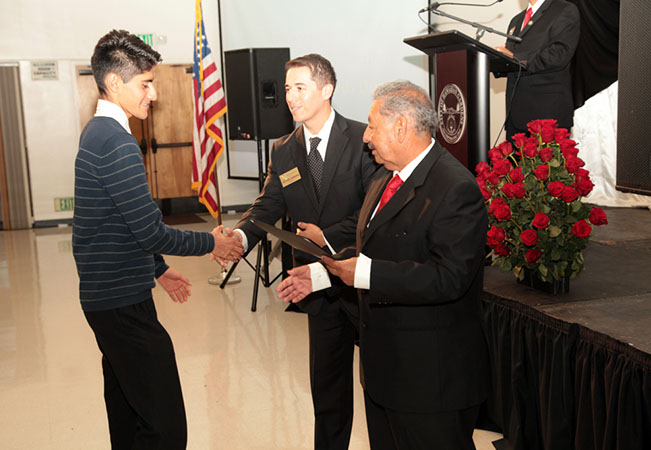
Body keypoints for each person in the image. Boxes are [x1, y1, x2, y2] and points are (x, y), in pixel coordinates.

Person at [278, 80, 490, 449]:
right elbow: (371, 252)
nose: (366, 137)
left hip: (429, 382)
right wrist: (321, 274)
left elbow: (449, 278)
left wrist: (362, 272)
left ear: (402, 127)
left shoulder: (454, 188)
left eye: (373, 126)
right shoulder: (382, 180)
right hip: (384, 375)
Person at [73, 29, 243, 449]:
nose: (152, 94)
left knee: (129, 411)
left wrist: (158, 270)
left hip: (109, 297)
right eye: (144, 84)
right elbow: (149, 229)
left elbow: (118, 224)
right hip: (121, 304)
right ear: (114, 82)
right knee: (164, 424)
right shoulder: (116, 143)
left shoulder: (96, 133)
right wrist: (213, 244)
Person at [219, 54, 378, 449]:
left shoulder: (364, 139)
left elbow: (374, 211)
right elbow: (269, 205)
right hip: (316, 288)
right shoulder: (284, 149)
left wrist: (328, 235)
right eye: (287, 88)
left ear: (327, 90)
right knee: (327, 393)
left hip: (366, 284)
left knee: (380, 388)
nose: (290, 97)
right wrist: (239, 239)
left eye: (300, 87)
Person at [494, 0, 580, 140]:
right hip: (515, 120)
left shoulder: (564, 10)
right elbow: (513, 64)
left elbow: (559, 55)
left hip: (546, 118)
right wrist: (493, 61)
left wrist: (515, 57)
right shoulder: (516, 20)